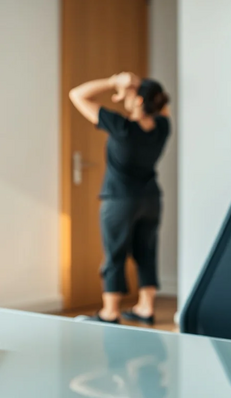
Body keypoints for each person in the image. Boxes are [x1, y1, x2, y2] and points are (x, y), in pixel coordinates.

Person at [68, 72, 170, 324]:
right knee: (146, 252)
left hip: (120, 200)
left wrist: (114, 82)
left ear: (138, 101)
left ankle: (110, 312)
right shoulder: (162, 127)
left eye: (134, 94)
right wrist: (136, 91)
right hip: (150, 199)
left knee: (114, 254)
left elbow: (76, 95)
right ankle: (146, 307)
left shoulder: (121, 126)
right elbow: (161, 103)